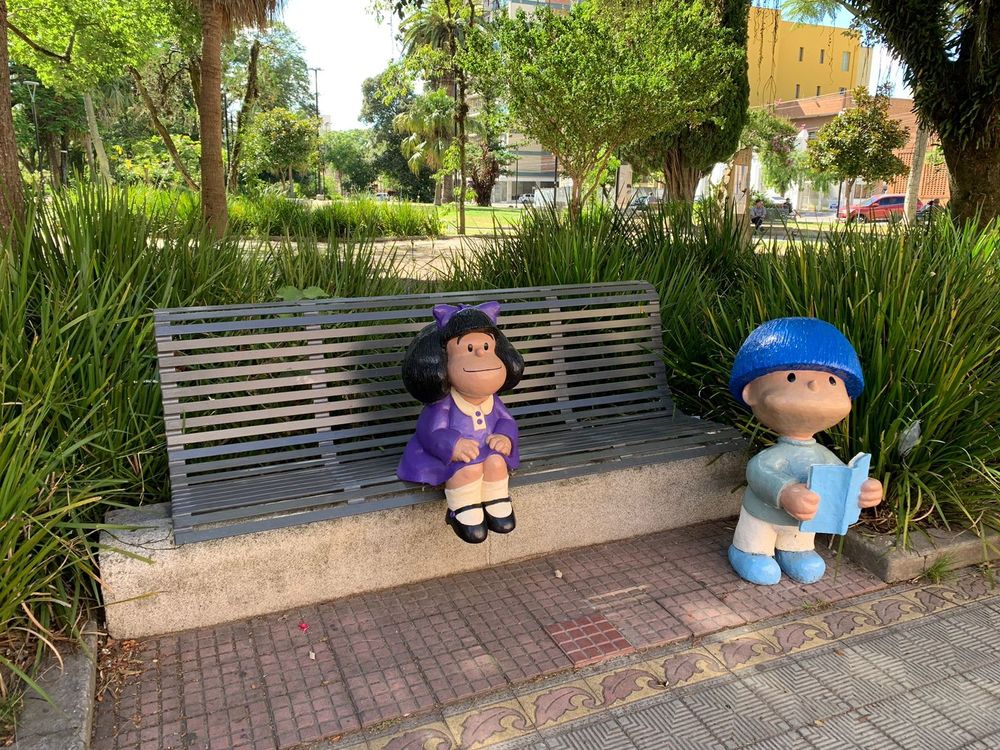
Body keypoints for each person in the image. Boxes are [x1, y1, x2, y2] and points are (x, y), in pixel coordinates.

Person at [726, 318, 884, 585]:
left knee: (800, 547)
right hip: (761, 518)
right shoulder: (773, 457)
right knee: (757, 540)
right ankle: (747, 551)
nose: (814, 386)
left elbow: (840, 478)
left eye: (832, 381)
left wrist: (863, 487)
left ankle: (795, 552)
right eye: (792, 377)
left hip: (801, 527)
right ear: (751, 392)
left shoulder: (822, 455)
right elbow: (758, 472)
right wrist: (786, 491)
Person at [398, 302, 524, 544]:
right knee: (468, 470)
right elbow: (430, 431)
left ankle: (496, 501)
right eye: (469, 348)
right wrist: (453, 444)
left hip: (486, 450)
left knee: (497, 463)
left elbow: (506, 421)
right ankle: (462, 510)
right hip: (451, 457)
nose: (480, 354)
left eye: (486, 347)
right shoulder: (445, 404)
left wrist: (504, 437)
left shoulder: (491, 400)